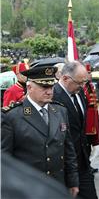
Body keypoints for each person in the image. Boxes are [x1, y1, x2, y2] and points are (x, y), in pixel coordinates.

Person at [1, 66, 79, 197]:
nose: (49, 92)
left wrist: (73, 181)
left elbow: (68, 149)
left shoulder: (60, 111)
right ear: (29, 87)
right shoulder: (12, 116)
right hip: (27, 189)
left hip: (56, 185)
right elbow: (4, 160)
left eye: (51, 87)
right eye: (44, 88)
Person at [53, 61, 98, 199]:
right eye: (79, 83)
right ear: (65, 78)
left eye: (84, 82)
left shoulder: (79, 92)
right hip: (65, 166)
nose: (82, 86)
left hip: (83, 162)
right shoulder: (53, 96)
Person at [2, 153, 73, 199]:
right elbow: (6, 163)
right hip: (27, 186)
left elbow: (68, 151)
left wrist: (73, 181)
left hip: (56, 183)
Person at [83, 64, 99, 174]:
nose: (90, 75)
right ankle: (86, 165)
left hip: (93, 118)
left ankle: (88, 165)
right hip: (87, 120)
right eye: (88, 73)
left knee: (90, 144)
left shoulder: (90, 85)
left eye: (90, 73)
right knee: (85, 145)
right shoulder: (82, 88)